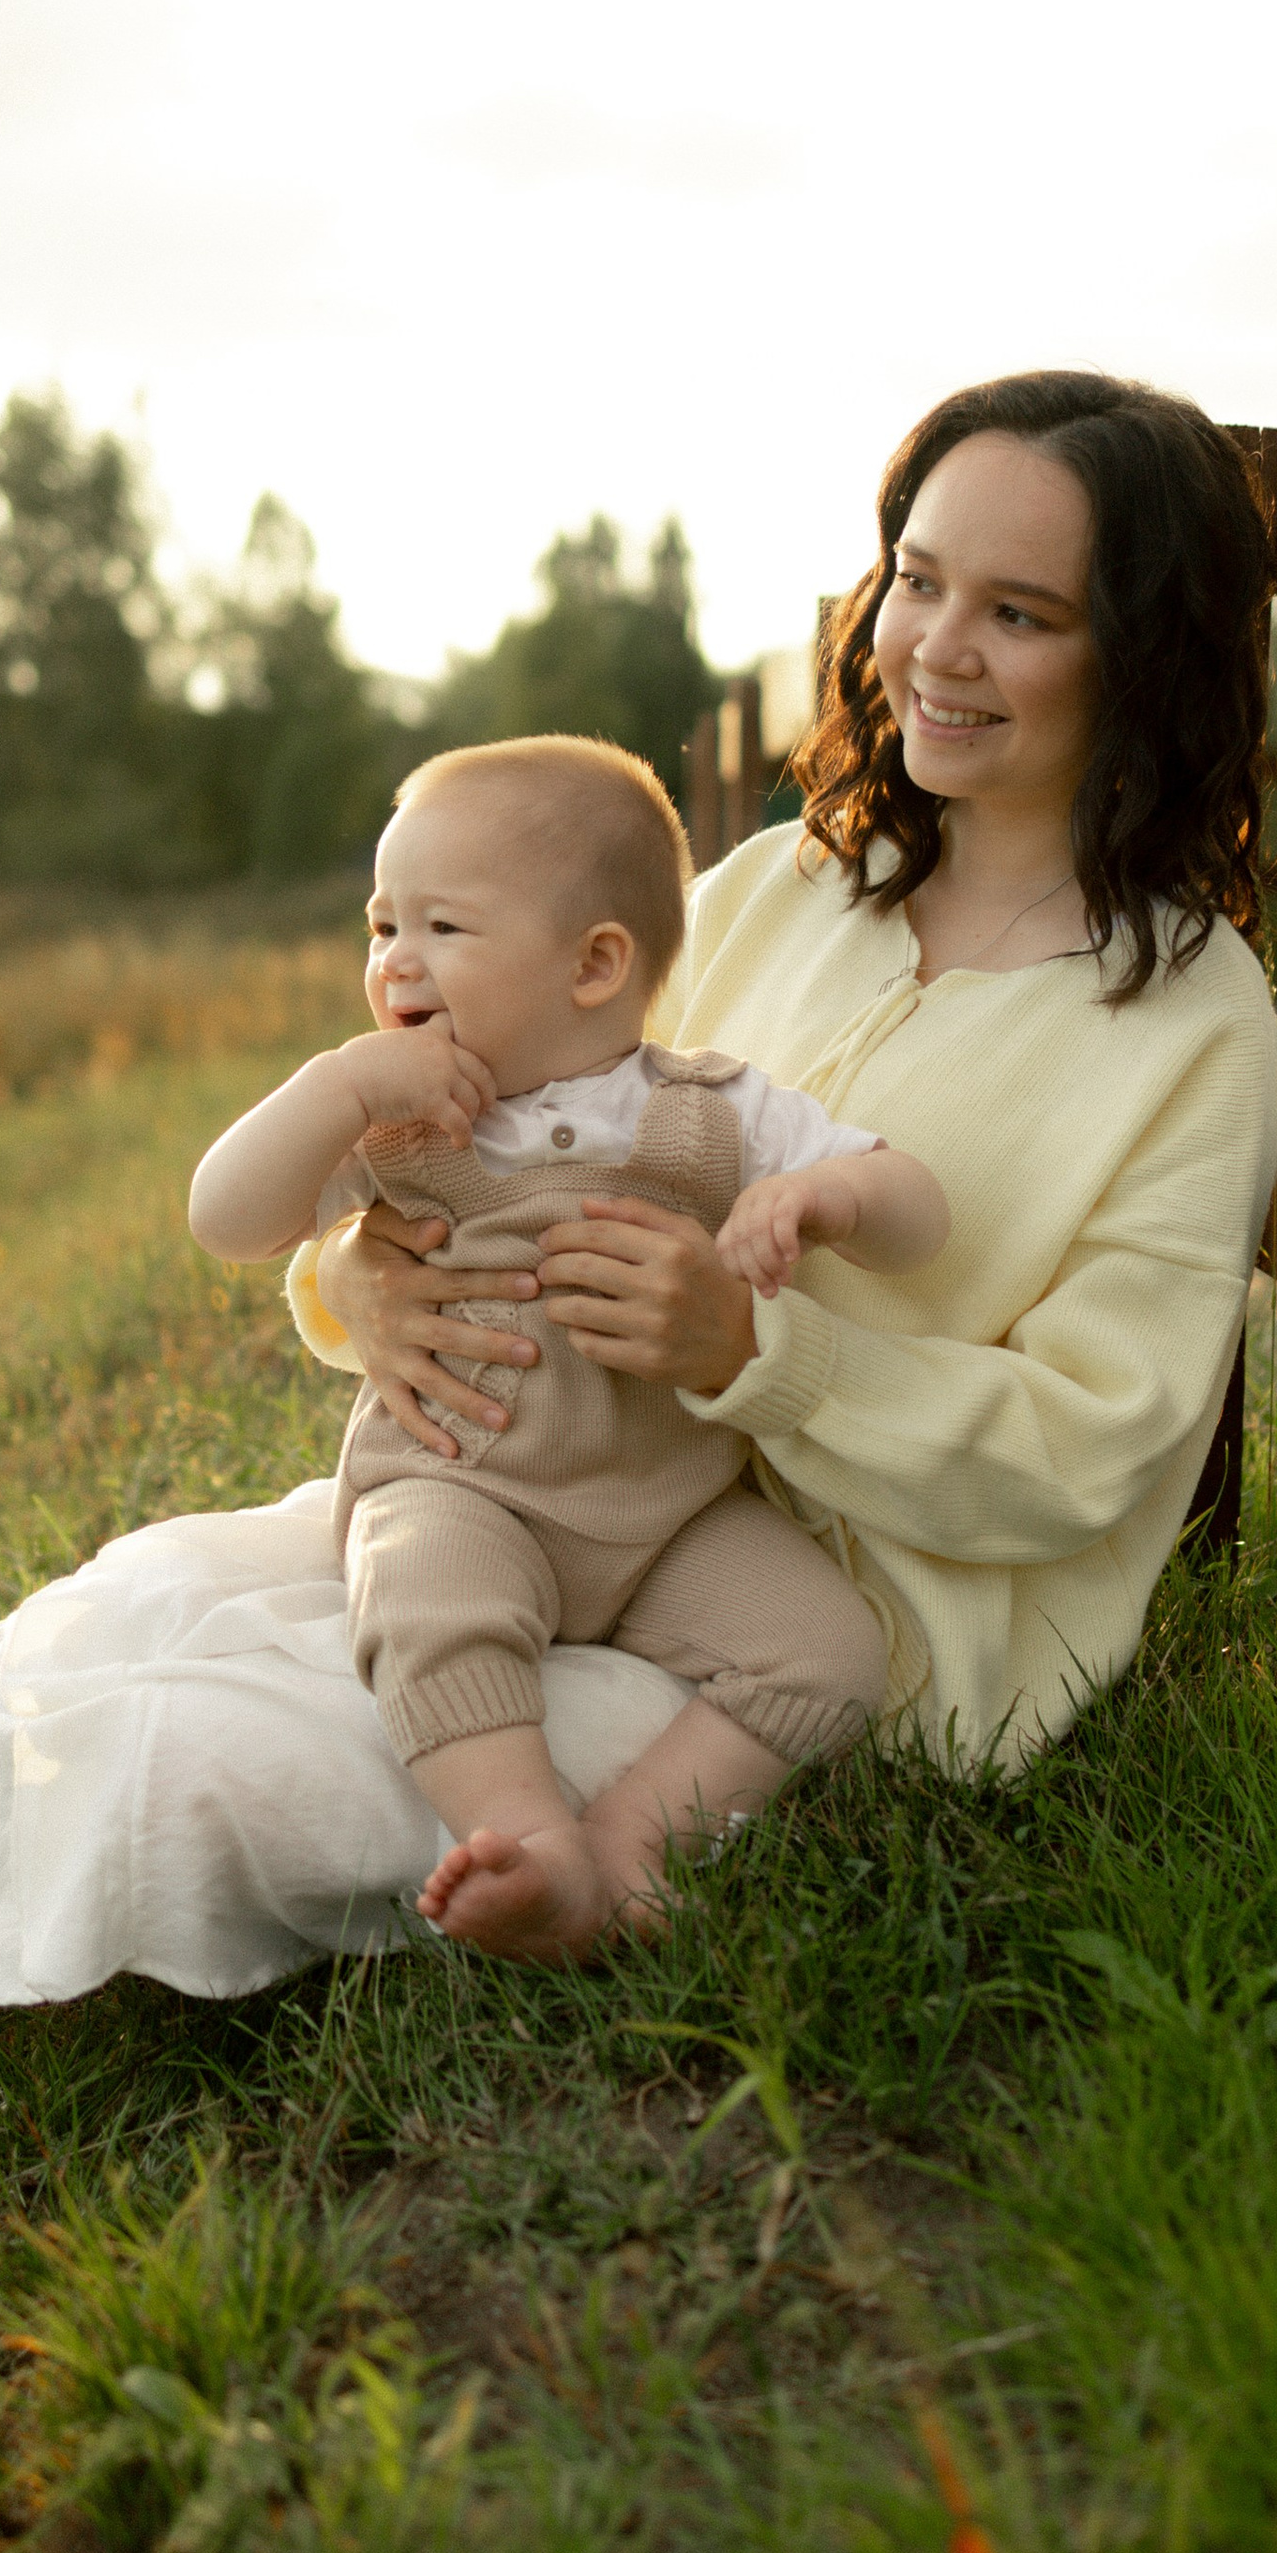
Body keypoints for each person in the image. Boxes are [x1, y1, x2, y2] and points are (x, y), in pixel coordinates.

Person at [0, 370, 1277, 2241]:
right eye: (919, 580)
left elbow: (1093, 1454)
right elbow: (496, 1133)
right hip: (544, 1466)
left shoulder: (1188, 1029)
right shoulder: (779, 891)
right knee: (119, 1605)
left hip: (834, 1623)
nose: (936, 649)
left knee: (184, 1750)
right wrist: (360, 1288)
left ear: (1143, 655)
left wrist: (761, 1358)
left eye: (1020, 612)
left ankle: (566, 1877)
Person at [188, 733, 949, 1963]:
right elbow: (224, 1220)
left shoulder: (715, 1109)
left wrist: (825, 1199)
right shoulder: (394, 1119)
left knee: (830, 1653)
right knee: (429, 1601)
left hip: (667, 1514)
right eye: (381, 926)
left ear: (594, 964)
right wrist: (337, 1087)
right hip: (462, 1483)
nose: (393, 961)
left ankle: (636, 1844)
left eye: (440, 927)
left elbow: (920, 1218)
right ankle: (531, 1844)